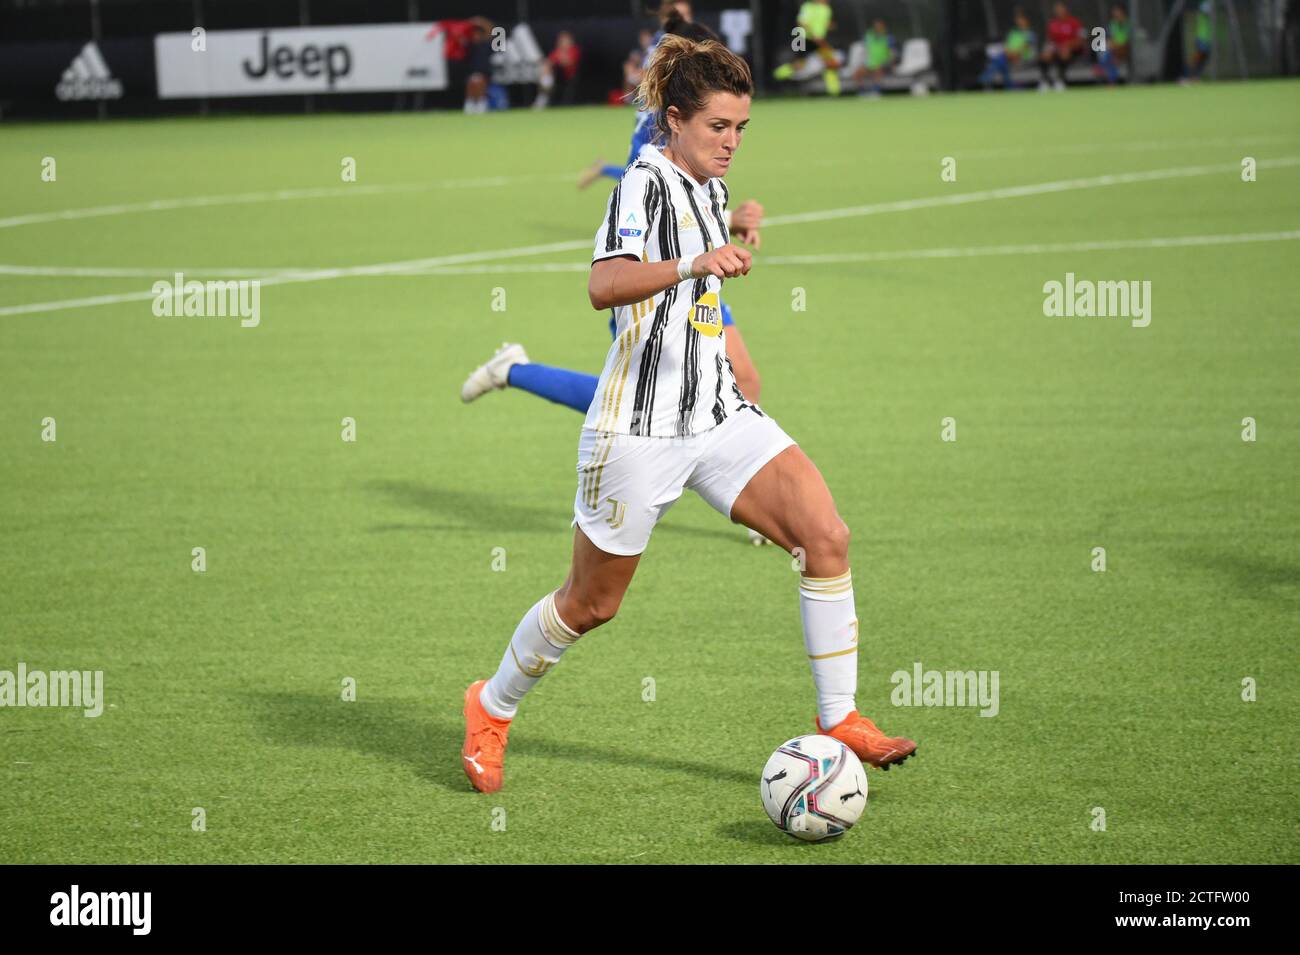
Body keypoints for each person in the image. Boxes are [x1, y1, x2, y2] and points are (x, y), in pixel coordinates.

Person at [460, 33, 917, 794]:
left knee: (825, 536)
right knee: (591, 603)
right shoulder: (640, 183)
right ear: (673, 120)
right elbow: (603, 285)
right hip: (637, 433)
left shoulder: (705, 184)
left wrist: (733, 228)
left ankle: (839, 718)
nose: (732, 142)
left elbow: (704, 238)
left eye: (741, 128)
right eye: (719, 127)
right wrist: (695, 262)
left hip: (717, 414)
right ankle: (492, 703)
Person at [773, 0, 843, 96]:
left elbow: (823, 23)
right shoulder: (808, 6)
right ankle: (777, 75)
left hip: (819, 40)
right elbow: (801, 23)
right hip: (805, 38)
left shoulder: (827, 9)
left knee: (831, 62)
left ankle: (834, 92)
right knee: (799, 65)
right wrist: (813, 35)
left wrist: (829, 25)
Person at [980, 8, 1036, 90]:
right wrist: (1009, 53)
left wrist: (1014, 54)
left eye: (1021, 20)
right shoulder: (1013, 33)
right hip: (1009, 57)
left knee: (1000, 61)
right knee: (1001, 61)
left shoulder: (1030, 34)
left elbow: (1025, 48)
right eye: (1018, 20)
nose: (1019, 22)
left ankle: (986, 79)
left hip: (1023, 57)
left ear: (1026, 21)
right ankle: (1009, 86)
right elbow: (1006, 46)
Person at [1039, 2, 1085, 91]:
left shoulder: (1074, 22)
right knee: (1045, 55)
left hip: (1073, 51)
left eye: (1060, 9)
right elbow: (1050, 41)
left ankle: (1060, 80)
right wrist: (1049, 49)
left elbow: (1080, 40)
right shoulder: (1052, 24)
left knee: (1064, 53)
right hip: (1057, 49)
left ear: (1065, 9)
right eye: (1057, 9)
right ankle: (1045, 81)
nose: (1059, 11)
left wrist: (1068, 46)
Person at [854, 19, 897, 98]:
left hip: (884, 62)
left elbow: (892, 53)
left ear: (883, 27)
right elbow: (865, 50)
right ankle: (862, 92)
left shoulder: (888, 37)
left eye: (879, 26)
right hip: (870, 62)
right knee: (858, 72)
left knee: (877, 69)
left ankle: (876, 91)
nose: (877, 28)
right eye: (876, 26)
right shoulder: (869, 36)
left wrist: (892, 62)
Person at [1097, 4, 1130, 84]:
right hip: (1115, 49)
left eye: (1117, 12)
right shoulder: (1113, 24)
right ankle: (1112, 80)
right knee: (1106, 53)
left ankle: (1102, 69)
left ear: (1123, 12)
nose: (1116, 14)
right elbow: (1110, 38)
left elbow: (1129, 40)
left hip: (1127, 48)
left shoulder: (1129, 23)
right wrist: (1111, 44)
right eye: (1114, 12)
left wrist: (1118, 45)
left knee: (1109, 55)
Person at [1182, 1, 1213, 83]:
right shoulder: (1203, 7)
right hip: (1201, 39)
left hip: (1207, 40)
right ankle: (1185, 77)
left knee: (1204, 59)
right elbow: (1205, 11)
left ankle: (1195, 77)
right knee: (1196, 58)